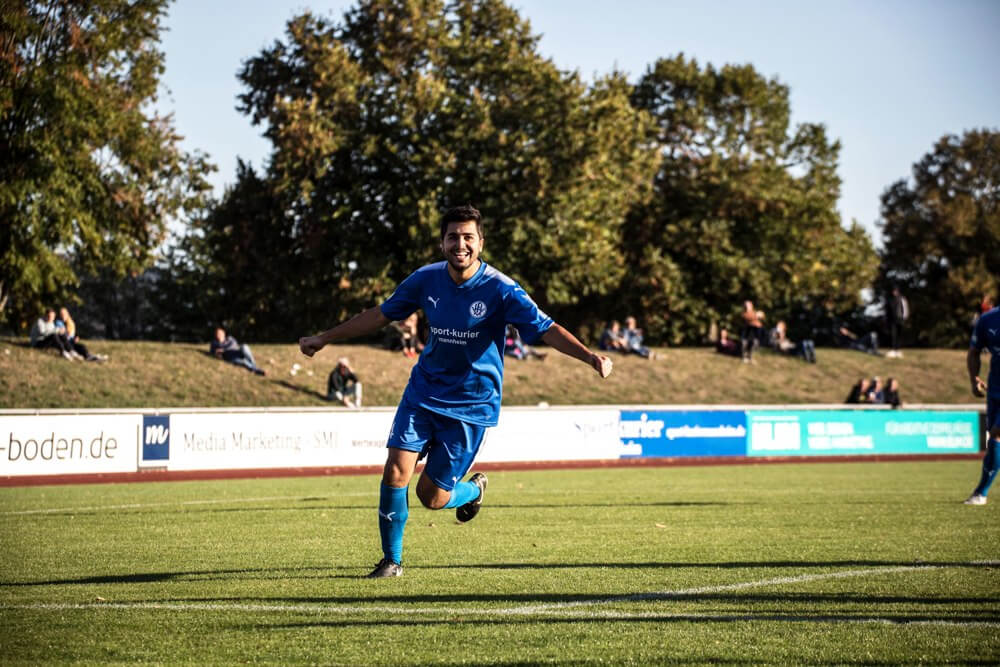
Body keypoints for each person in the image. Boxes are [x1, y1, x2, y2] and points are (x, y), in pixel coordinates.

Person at [298, 205, 613, 578]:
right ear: (442, 242)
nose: (459, 244)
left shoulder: (502, 289)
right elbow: (381, 314)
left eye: (468, 237)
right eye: (452, 237)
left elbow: (545, 328)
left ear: (480, 242)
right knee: (396, 469)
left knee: (432, 497)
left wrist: (590, 357)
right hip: (423, 393)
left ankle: (472, 492)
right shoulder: (425, 280)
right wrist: (325, 338)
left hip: (471, 405)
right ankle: (391, 561)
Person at [964, 301, 1000, 506]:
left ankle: (981, 494)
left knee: (997, 434)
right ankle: (980, 493)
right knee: (993, 440)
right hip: (995, 389)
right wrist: (973, 379)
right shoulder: (987, 319)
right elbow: (974, 351)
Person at [885, 286, 909, 358]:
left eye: (895, 291)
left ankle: (898, 350)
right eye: (893, 291)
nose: (894, 292)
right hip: (892, 320)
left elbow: (905, 309)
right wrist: (886, 319)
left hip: (900, 320)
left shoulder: (902, 298)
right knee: (893, 335)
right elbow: (887, 311)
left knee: (899, 335)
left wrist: (904, 318)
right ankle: (893, 350)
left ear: (898, 291)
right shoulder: (889, 300)